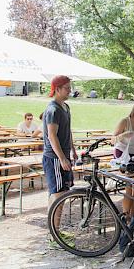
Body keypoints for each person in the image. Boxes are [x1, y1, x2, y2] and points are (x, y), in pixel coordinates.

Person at [42, 75, 78, 228]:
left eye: (70, 88)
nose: (70, 91)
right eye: (67, 88)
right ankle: (54, 234)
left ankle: (55, 232)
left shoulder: (66, 107)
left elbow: (67, 131)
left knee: (62, 193)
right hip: (54, 158)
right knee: (57, 194)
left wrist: (73, 150)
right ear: (57, 89)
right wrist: (62, 158)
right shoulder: (53, 110)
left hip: (64, 155)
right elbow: (52, 136)